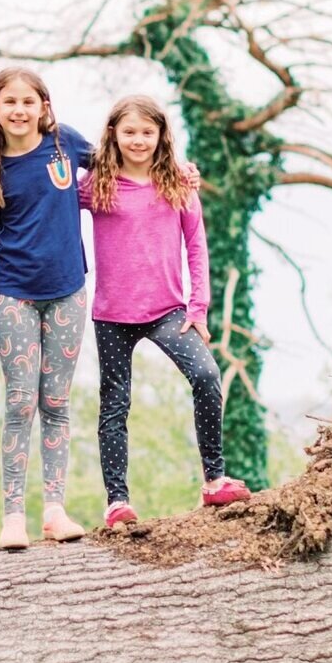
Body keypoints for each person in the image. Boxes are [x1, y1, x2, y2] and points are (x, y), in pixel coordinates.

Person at [81, 94, 251, 526]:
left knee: (207, 375)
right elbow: (52, 206)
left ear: (161, 136)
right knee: (115, 405)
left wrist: (199, 307)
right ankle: (117, 501)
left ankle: (215, 479)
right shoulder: (97, 184)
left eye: (147, 132)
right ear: (114, 135)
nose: (138, 140)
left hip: (169, 310)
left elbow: (196, 245)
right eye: (129, 132)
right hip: (112, 314)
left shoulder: (177, 183)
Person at [0, 67, 95, 552]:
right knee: (20, 402)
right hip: (15, 294)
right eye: (10, 102)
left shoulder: (65, 143)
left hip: (68, 290)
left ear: (44, 106)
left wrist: (175, 171)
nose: (20, 110)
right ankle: (12, 517)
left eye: (30, 101)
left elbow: (120, 164)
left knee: (56, 403)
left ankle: (54, 509)